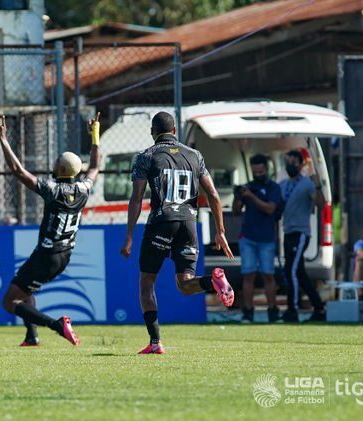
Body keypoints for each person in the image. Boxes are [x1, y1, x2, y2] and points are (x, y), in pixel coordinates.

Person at [120, 111, 234, 355]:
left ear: (153, 132)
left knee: (146, 282)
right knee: (184, 284)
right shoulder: (194, 155)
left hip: (162, 222)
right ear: (174, 131)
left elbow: (137, 198)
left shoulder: (146, 156)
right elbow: (213, 195)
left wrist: (129, 235)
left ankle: (155, 342)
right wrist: (220, 232)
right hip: (189, 224)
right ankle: (213, 281)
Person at [0, 113, 101, 347]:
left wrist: (3, 140)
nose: (52, 165)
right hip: (64, 255)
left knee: (9, 302)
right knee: (23, 290)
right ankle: (31, 335)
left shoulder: (52, 189)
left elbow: (18, 171)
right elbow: (94, 166)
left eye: (56, 163)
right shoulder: (83, 189)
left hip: (47, 254)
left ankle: (57, 325)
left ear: (61, 168)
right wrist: (94, 135)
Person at [232, 154, 283, 323]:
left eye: (261, 171)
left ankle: (273, 312)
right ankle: (248, 312)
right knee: (248, 275)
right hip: (248, 237)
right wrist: (238, 197)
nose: (258, 175)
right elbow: (236, 212)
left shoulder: (273, 188)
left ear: (266, 169)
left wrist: (251, 197)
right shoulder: (248, 187)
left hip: (267, 238)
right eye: (255, 172)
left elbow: (270, 209)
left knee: (268, 275)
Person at [279, 149, 326, 322]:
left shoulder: (307, 184)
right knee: (299, 273)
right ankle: (319, 308)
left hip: (300, 233)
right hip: (288, 232)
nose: (290, 165)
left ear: (301, 164)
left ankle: (293, 310)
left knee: (290, 270)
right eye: (287, 162)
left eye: (293, 162)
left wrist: (318, 185)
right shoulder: (282, 185)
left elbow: (321, 205)